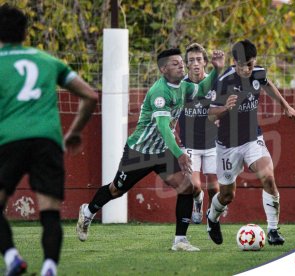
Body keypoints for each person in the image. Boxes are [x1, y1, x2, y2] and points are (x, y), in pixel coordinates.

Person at [76, 48, 224, 252]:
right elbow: (163, 128)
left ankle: (180, 240)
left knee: (186, 188)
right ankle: (88, 211)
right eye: (175, 63)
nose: (182, 65)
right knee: (116, 190)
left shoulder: (184, 86)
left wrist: (217, 69)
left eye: (182, 62)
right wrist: (180, 154)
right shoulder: (159, 92)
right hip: (139, 153)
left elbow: (203, 87)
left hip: (162, 151)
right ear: (164, 69)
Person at [0, 4, 99, 276]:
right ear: (25, 32)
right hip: (47, 141)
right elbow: (90, 95)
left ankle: (11, 257)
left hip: (9, 140)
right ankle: (49, 267)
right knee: (50, 212)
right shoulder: (47, 61)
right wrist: (75, 131)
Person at [206, 39, 295, 246]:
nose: (247, 69)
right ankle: (212, 218)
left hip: (252, 139)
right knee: (227, 196)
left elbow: (268, 84)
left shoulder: (258, 72)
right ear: (234, 62)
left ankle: (273, 230)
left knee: (267, 176)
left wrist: (286, 106)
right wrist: (224, 109)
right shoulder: (224, 82)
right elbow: (210, 115)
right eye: (242, 65)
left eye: (250, 63)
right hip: (227, 146)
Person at [178, 43, 220, 224]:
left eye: (198, 59)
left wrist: (220, 117)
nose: (195, 63)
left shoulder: (214, 83)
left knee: (215, 189)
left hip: (213, 144)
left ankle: (212, 214)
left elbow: (225, 106)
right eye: (191, 60)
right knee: (194, 186)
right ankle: (198, 201)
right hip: (190, 145)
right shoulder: (181, 86)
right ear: (187, 64)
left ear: (205, 62)